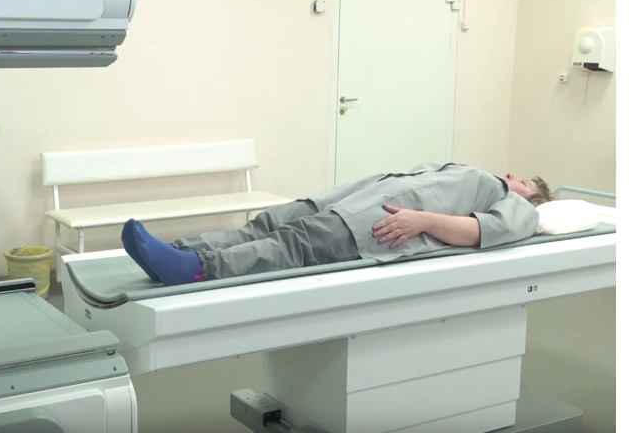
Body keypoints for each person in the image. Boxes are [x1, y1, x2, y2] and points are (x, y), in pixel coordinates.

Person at [121, 163, 553, 286]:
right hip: (350, 203)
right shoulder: (475, 174)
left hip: (376, 226)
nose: (513, 175)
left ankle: (197, 270)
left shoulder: (521, 209)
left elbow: (481, 232)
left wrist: (422, 220)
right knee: (267, 224)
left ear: (531, 196)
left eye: (525, 181)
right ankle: (181, 250)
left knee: (292, 245)